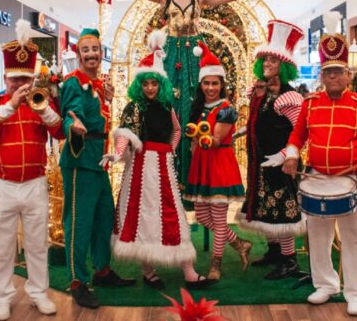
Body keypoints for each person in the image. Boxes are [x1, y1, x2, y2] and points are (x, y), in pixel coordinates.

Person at [90, 0, 275, 193]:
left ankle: (192, 180)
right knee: (170, 104)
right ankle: (170, 177)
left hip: (194, 54)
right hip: (172, 54)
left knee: (194, 105)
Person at [274, 11, 357, 316]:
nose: (334, 77)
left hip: (352, 181)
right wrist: (292, 155)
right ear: (321, 76)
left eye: (339, 72)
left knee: (355, 238)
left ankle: (355, 292)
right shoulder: (310, 104)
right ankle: (325, 284)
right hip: (318, 180)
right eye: (328, 72)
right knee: (318, 237)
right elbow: (296, 138)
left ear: (348, 75)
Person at [104, 31, 216, 290]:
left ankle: (188, 271)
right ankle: (148, 270)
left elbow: (177, 131)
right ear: (140, 85)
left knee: (172, 213)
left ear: (160, 84)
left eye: (154, 83)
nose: (150, 88)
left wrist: (172, 150)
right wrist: (118, 153)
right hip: (140, 168)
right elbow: (126, 135)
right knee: (142, 215)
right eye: (146, 84)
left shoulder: (168, 107)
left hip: (163, 167)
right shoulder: (133, 107)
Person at [0, 20, 61, 320]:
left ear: (32, 79)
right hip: (2, 184)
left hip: (34, 184)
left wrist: (44, 109)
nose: (20, 84)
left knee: (38, 244)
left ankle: (38, 294)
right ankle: (3, 296)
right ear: (6, 78)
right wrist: (10, 105)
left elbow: (61, 133)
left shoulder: (41, 103)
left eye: (25, 78)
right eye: (14, 79)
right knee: (2, 246)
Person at [59, 28, 135, 309]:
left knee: (104, 218)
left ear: (101, 54)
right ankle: (78, 280)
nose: (91, 54)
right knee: (79, 223)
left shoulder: (100, 85)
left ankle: (102, 270)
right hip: (80, 161)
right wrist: (73, 126)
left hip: (100, 161)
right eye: (86, 49)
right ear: (79, 54)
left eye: (96, 49)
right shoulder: (72, 83)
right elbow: (70, 114)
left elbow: (99, 113)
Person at [236, 19, 307, 280]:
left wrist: (285, 156)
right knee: (265, 209)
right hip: (259, 163)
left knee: (282, 211)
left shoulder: (291, 97)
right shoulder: (263, 92)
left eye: (273, 61)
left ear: (284, 66)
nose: (267, 64)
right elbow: (258, 122)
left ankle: (289, 261)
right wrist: (240, 133)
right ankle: (274, 252)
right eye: (265, 60)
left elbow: (301, 131)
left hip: (280, 164)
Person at [183, 41, 251, 280]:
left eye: (215, 83)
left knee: (219, 219)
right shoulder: (199, 107)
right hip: (201, 166)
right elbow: (194, 143)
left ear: (222, 84)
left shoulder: (227, 109)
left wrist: (198, 138)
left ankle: (216, 265)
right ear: (201, 84)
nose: (211, 87)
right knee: (202, 216)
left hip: (219, 162)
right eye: (206, 83)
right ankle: (240, 243)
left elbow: (214, 139)